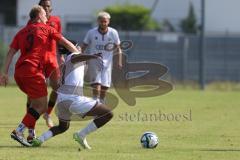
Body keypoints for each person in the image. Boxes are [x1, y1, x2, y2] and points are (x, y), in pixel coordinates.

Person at [0, 5, 78, 147]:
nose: (46, 17)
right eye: (44, 14)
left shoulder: (21, 32)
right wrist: (79, 56)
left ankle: (29, 131)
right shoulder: (47, 28)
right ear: (38, 16)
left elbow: (11, 52)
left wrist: (4, 73)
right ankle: (18, 131)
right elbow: (66, 43)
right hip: (33, 71)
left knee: (36, 104)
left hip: (19, 73)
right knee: (42, 106)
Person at [31, 42, 113, 150]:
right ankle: (81, 134)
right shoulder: (73, 56)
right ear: (72, 48)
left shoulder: (71, 61)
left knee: (63, 127)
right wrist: (93, 56)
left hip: (62, 100)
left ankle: (39, 139)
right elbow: (79, 56)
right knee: (107, 114)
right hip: (73, 99)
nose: (79, 48)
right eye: (78, 46)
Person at [25, 0, 63, 129]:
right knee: (33, 94)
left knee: (58, 87)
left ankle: (48, 114)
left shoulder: (56, 20)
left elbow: (59, 39)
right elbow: (27, 39)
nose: (46, 8)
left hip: (52, 59)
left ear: (51, 9)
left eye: (48, 6)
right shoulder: (32, 22)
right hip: (37, 60)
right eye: (43, 6)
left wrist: (61, 55)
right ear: (38, 8)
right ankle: (30, 122)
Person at [81, 11, 122, 104]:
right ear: (98, 21)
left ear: (108, 22)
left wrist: (119, 61)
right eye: (101, 21)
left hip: (107, 63)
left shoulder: (113, 32)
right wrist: (81, 58)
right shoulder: (91, 33)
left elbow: (118, 48)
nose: (103, 23)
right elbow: (83, 46)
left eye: (105, 21)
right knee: (96, 84)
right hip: (94, 62)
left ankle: (101, 103)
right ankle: (95, 103)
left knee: (105, 86)